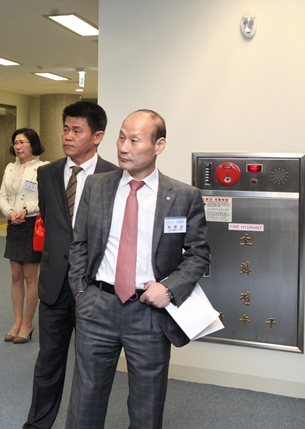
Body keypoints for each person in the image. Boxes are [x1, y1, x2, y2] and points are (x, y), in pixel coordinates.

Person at [65, 110, 211, 429]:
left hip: (148, 313)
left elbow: (199, 254)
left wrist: (169, 289)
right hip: (97, 306)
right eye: (121, 137)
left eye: (134, 140)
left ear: (159, 145)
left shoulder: (183, 196)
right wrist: (81, 293)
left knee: (147, 405)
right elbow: (79, 243)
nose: (123, 147)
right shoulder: (96, 186)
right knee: (85, 400)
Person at [24, 102, 117, 429]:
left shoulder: (114, 177)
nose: (68, 136)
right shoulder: (47, 173)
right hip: (53, 283)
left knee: (91, 367)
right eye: (65, 128)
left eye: (77, 130)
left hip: (94, 286)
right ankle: (37, 423)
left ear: (97, 136)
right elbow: (52, 222)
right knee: (48, 362)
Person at [0, 128, 46, 344]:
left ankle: (28, 322)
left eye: (22, 142)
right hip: (14, 224)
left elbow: (46, 198)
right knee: (16, 275)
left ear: (33, 144)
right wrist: (10, 212)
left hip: (32, 225)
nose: (18, 146)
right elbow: (2, 196)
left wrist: (27, 209)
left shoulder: (43, 168)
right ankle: (17, 321)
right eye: (15, 142)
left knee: (30, 277)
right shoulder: (10, 168)